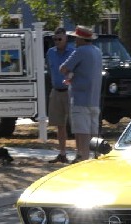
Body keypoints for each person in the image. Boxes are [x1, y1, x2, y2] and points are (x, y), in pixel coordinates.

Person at [60, 26, 103, 163]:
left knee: (82, 132)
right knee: (93, 132)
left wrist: (70, 74)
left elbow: (63, 68)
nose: (75, 41)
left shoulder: (80, 51)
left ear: (80, 39)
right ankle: (96, 158)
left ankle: (84, 160)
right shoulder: (97, 52)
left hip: (80, 98)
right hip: (95, 98)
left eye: (76, 38)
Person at [46, 27, 74, 164]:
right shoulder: (50, 53)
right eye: (55, 39)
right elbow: (50, 71)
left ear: (66, 39)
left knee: (75, 124)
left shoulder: (73, 52)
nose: (57, 41)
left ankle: (80, 154)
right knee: (59, 125)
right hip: (56, 91)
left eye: (59, 39)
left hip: (70, 91)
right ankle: (62, 154)